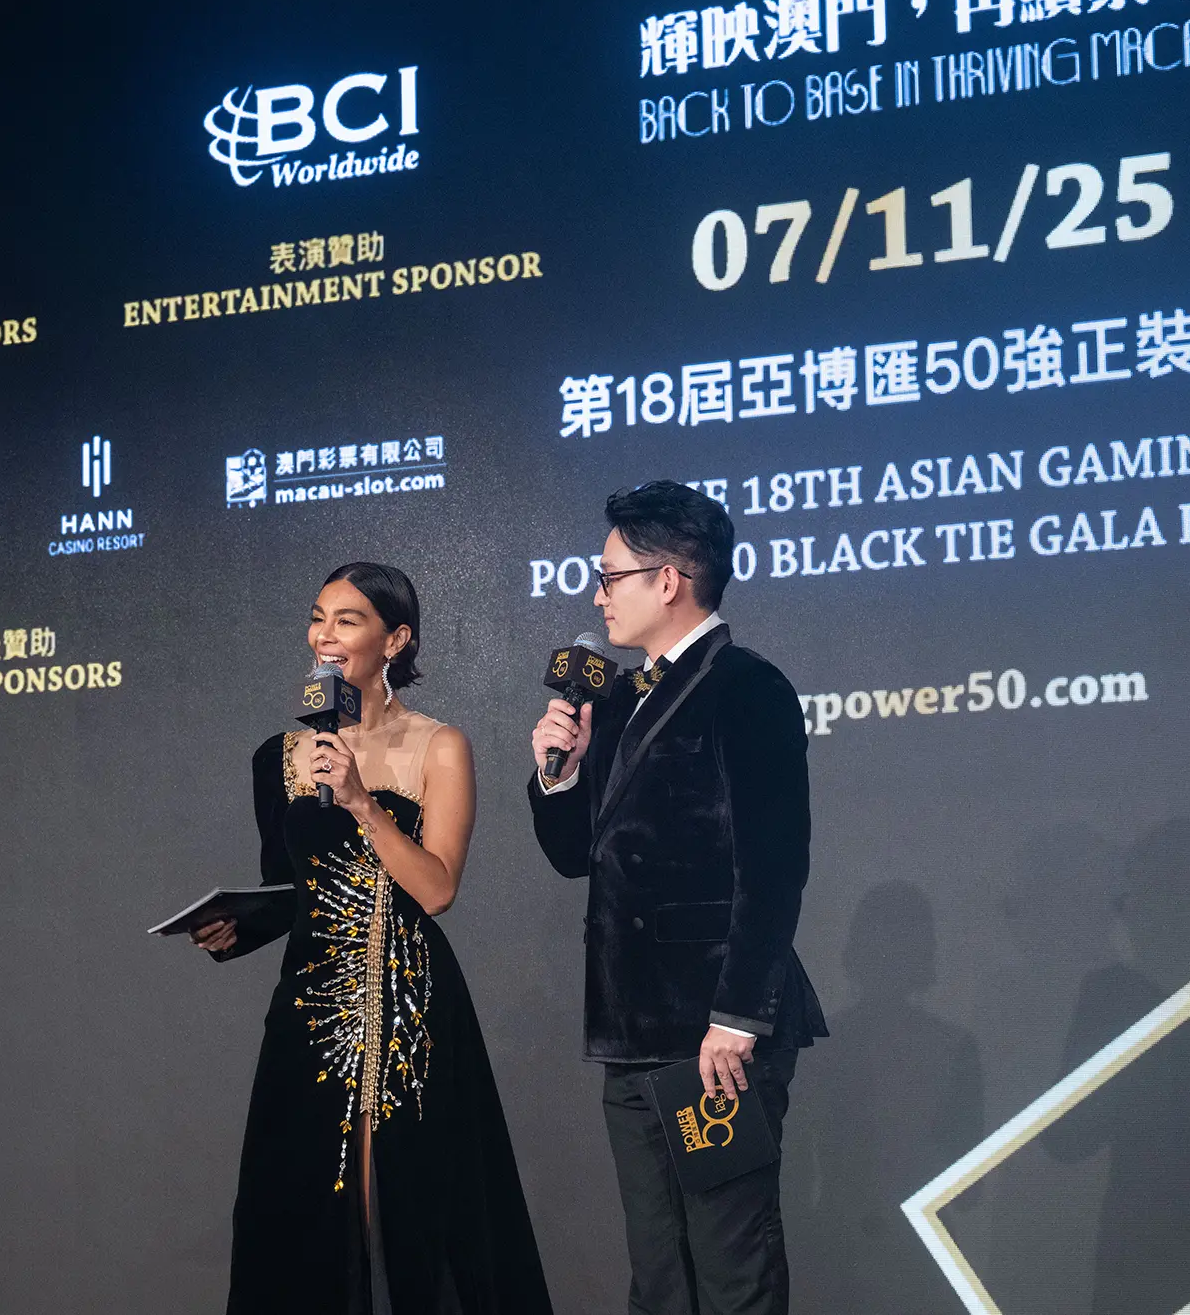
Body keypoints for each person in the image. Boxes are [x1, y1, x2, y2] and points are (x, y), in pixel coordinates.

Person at [192, 562, 553, 1315]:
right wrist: (235, 929)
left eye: (347, 620)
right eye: (317, 617)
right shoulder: (280, 757)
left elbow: (437, 888)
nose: (324, 635)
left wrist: (361, 801)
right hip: (309, 1012)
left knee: (407, 1211)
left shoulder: (439, 745)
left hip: (408, 1007)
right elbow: (289, 891)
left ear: (396, 639)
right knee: (298, 1213)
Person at [527, 481, 826, 1315]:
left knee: (730, 1260)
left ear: (668, 580)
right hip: (630, 1025)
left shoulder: (746, 687)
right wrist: (559, 775)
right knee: (658, 1269)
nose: (597, 595)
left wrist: (737, 1017)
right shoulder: (615, 698)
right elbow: (574, 857)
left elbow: (774, 867)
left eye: (610, 576)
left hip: (712, 1033)